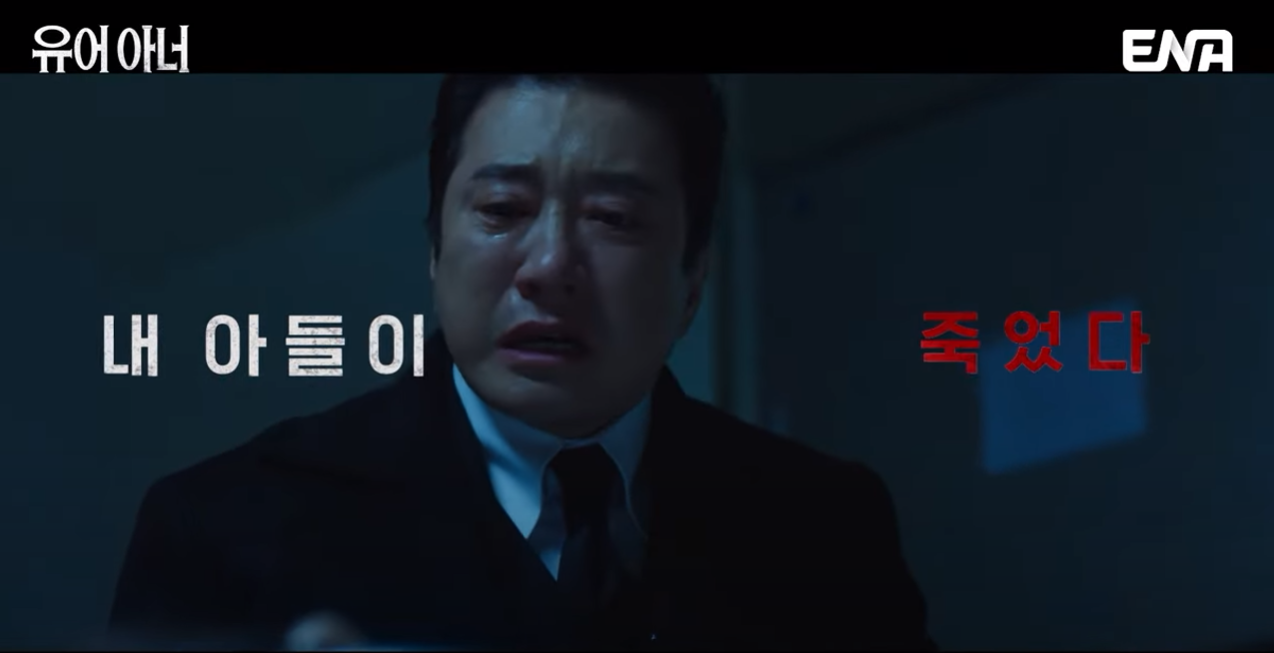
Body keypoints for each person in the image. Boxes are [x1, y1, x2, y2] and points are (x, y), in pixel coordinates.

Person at [109, 74, 935, 651]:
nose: (548, 266)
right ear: (435, 249)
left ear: (693, 278)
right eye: (503, 208)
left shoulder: (829, 526)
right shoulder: (223, 526)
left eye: (613, 217)